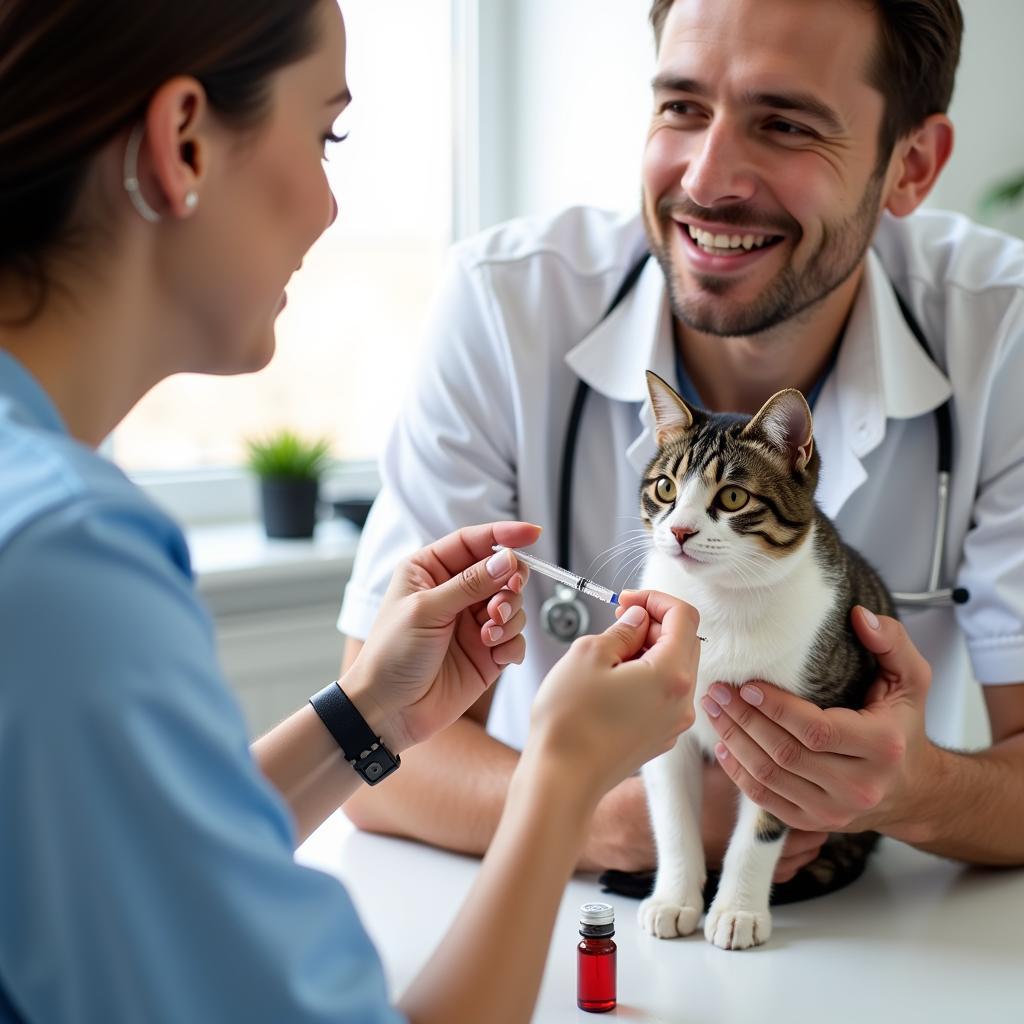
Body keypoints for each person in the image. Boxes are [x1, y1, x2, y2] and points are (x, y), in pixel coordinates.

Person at [0, 2, 702, 1022]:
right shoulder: (65, 565)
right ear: (182, 139)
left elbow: (138, 864)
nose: (331, 207)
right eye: (325, 134)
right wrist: (564, 777)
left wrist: (365, 716)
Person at [339, 0, 1024, 878]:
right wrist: (608, 824)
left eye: (784, 123)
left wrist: (908, 790)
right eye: (682, 107)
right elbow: (375, 758)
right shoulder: (504, 304)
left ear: (911, 165)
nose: (708, 178)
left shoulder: (1000, 333)